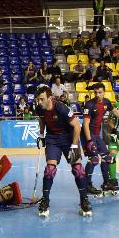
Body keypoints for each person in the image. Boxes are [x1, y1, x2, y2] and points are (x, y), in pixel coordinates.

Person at [35, 86, 92, 217]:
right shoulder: (40, 108)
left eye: (42, 99)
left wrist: (73, 146)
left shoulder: (61, 108)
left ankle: (84, 200)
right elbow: (42, 119)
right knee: (49, 170)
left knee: (78, 169)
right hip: (52, 139)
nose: (39, 102)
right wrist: (42, 135)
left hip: (68, 137)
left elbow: (77, 126)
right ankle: (45, 200)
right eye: (38, 99)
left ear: (50, 98)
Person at [81, 82, 119, 196]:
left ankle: (106, 183)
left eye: (100, 92)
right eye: (96, 92)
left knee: (107, 158)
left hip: (97, 134)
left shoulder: (106, 102)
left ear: (104, 92)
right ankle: (87, 185)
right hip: (88, 134)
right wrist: (89, 141)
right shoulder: (89, 105)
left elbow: (115, 111)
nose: (97, 94)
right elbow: (85, 125)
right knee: (94, 159)